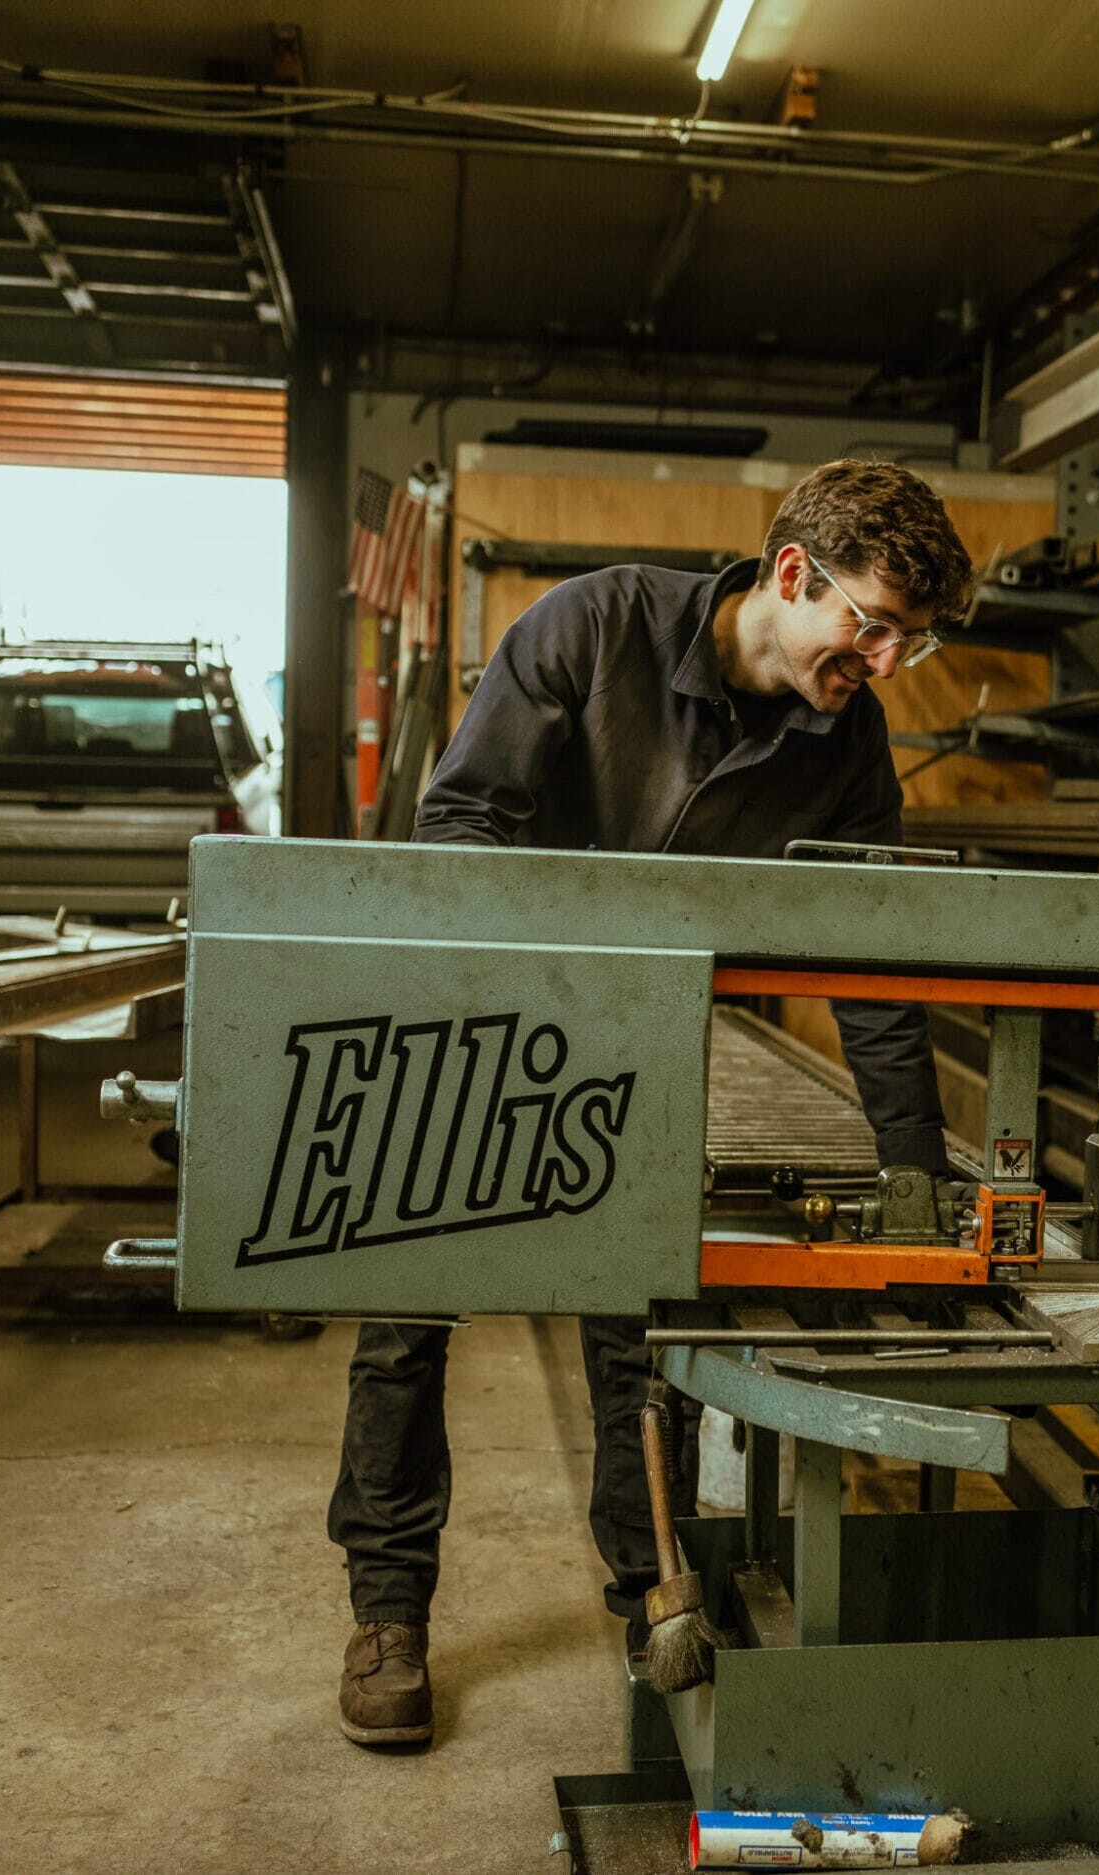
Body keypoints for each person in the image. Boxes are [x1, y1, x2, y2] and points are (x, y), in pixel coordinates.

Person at [333, 458, 974, 1745]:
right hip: (471, 1020)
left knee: (637, 1330)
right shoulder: (594, 627)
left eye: (917, 639)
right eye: (876, 623)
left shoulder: (845, 738)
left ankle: (650, 1592)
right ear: (793, 575)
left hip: (632, 1055)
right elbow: (459, 826)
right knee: (407, 1321)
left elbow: (871, 967)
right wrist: (562, 982)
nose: (889, 661)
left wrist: (921, 1192)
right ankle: (389, 1610)